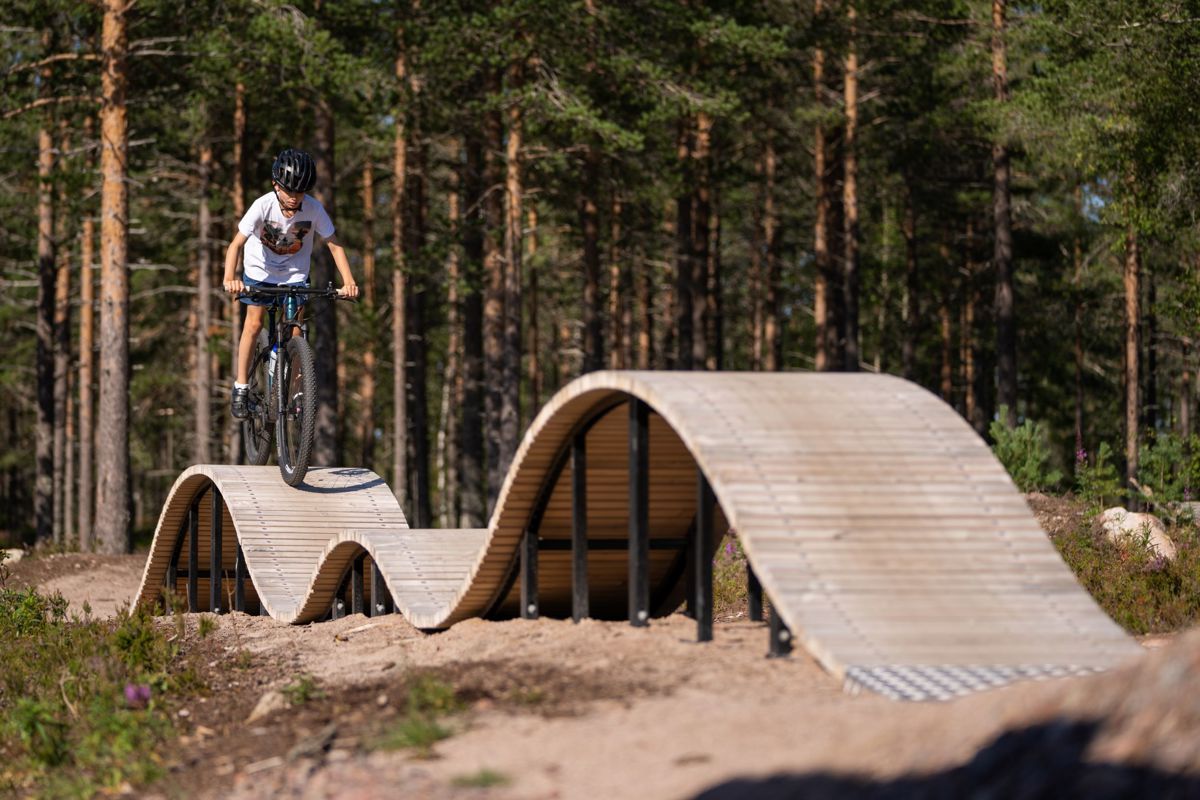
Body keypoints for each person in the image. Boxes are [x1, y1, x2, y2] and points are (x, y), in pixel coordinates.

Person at [222, 147, 359, 419]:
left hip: (294, 275)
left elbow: (334, 245)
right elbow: (236, 244)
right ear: (275, 185)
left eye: (301, 192)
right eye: (289, 191)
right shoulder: (262, 205)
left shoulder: (314, 209)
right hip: (259, 271)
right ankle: (240, 386)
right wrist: (230, 278)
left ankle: (296, 388)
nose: (295, 198)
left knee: (296, 330)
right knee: (254, 323)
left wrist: (349, 281)